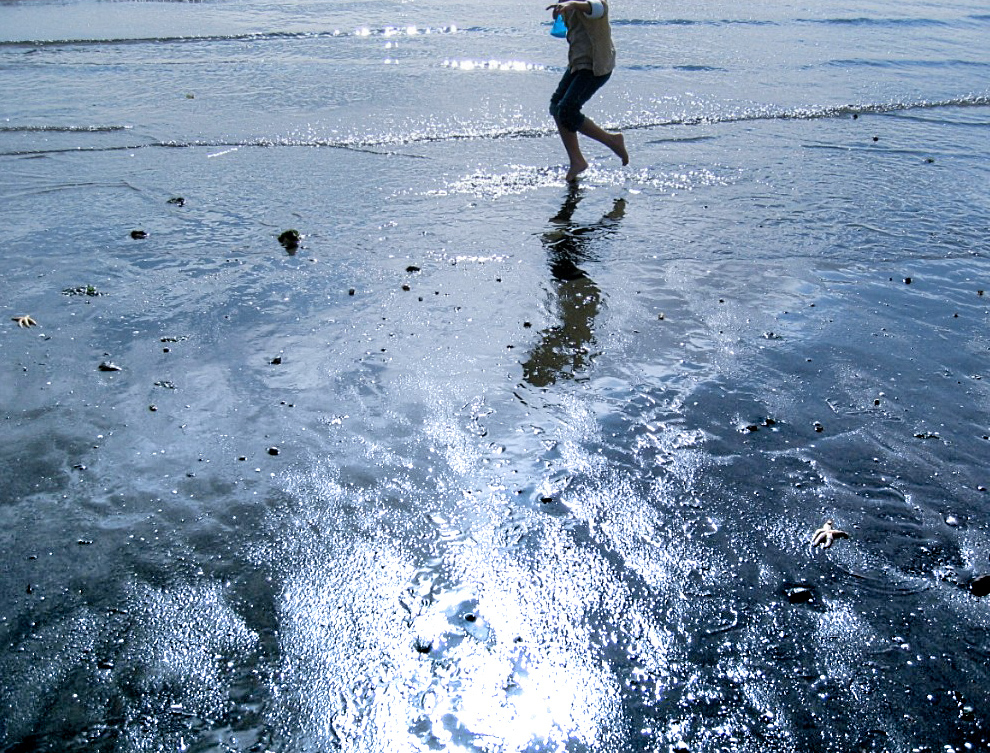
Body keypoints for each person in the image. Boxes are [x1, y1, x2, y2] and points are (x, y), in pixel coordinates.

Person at [546, 0, 629, 181]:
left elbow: (598, 8)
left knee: (567, 110)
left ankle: (612, 141)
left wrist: (573, 5)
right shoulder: (568, 4)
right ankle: (577, 160)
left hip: (596, 66)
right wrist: (562, 12)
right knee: (556, 107)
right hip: (578, 63)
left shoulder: (588, 3)